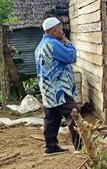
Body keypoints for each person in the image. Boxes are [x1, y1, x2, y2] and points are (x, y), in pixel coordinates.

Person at [35, 17, 82, 156]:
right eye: (60, 29)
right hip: (59, 89)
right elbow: (71, 57)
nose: (63, 31)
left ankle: (51, 147)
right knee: (74, 114)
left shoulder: (40, 46)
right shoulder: (53, 44)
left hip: (47, 88)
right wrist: (67, 42)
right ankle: (81, 147)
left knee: (52, 117)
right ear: (54, 30)